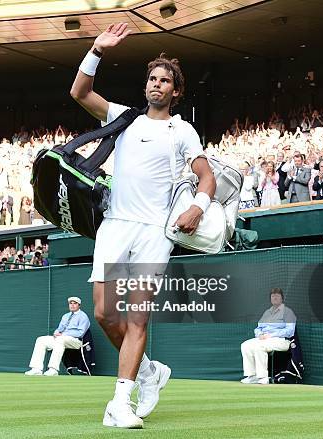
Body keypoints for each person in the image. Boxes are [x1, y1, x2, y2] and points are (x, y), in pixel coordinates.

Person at [70, 23, 215, 428]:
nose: (156, 85)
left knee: (136, 319)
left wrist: (199, 206)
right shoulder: (124, 117)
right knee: (103, 314)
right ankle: (151, 372)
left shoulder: (182, 130)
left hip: (155, 232)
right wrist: (96, 49)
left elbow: (207, 178)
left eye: (165, 80)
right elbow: (80, 93)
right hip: (115, 225)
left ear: (175, 91)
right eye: (152, 78)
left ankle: (121, 400)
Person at [240, 288, 296, 385]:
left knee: (259, 347)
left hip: (282, 341)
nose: (274, 298)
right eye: (273, 296)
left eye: (277, 296)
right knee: (245, 345)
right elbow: (258, 328)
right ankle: (252, 376)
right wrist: (260, 334)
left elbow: (290, 331)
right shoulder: (267, 312)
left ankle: (263, 377)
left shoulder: (288, 312)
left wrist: (270, 335)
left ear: (282, 298)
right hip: (264, 338)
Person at [25, 297, 90, 376]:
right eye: (71, 303)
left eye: (75, 303)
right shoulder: (65, 316)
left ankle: (53, 369)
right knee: (41, 340)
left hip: (76, 341)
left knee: (60, 339)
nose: (72, 305)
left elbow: (80, 333)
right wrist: (56, 333)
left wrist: (63, 334)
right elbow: (59, 329)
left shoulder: (83, 316)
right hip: (62, 339)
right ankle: (36, 369)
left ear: (79, 305)